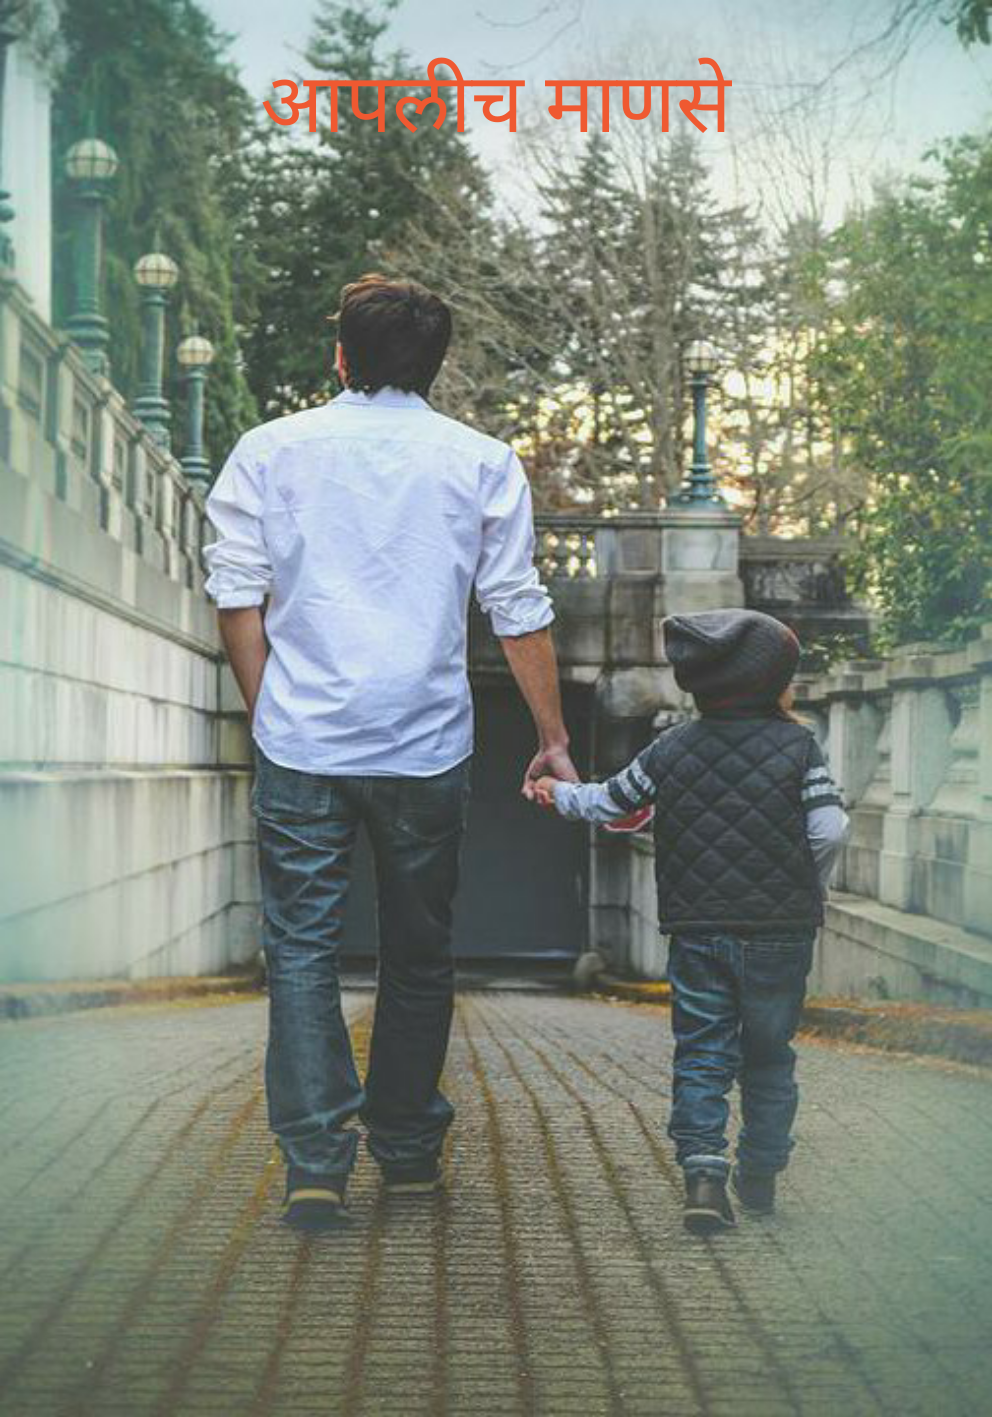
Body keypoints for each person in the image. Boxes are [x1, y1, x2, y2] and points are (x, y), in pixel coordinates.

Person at [203, 273, 577, 1231]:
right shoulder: (482, 461)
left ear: (341, 356)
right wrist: (552, 737)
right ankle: (407, 1149)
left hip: (303, 742)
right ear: (436, 362)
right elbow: (516, 608)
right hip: (424, 744)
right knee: (419, 951)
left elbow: (237, 596)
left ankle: (315, 1162)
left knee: (300, 950)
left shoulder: (269, 449)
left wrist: (270, 712)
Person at [532, 609, 849, 1234]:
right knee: (769, 1056)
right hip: (780, 934)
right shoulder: (798, 746)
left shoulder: (671, 747)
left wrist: (558, 793)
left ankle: (704, 1176)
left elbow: (611, 802)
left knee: (702, 1054)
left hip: (697, 928)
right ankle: (759, 1173)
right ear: (771, 681)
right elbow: (829, 829)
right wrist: (803, 887)